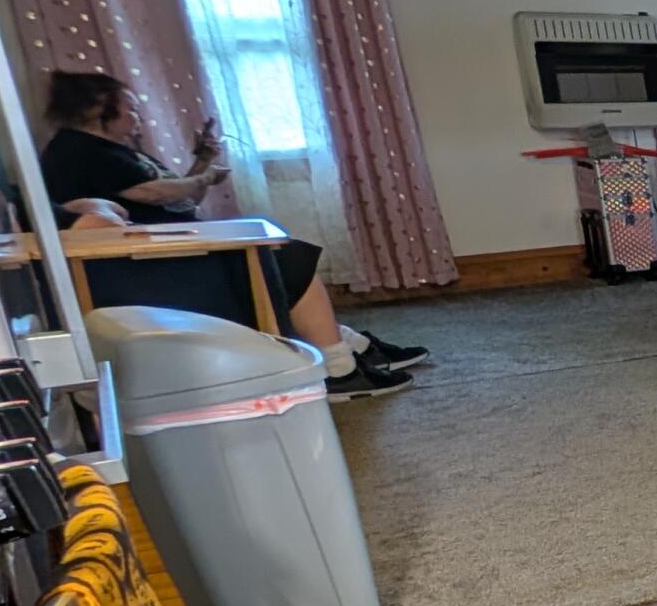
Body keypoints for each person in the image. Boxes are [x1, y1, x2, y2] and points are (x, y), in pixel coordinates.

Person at [38, 70, 427, 401]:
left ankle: (348, 346)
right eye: (130, 107)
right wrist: (203, 177)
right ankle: (338, 367)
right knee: (285, 259)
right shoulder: (79, 152)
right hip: (145, 269)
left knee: (282, 255)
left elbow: (179, 194)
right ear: (97, 109)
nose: (137, 115)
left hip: (162, 253)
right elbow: (152, 193)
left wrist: (203, 162)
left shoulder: (113, 151)